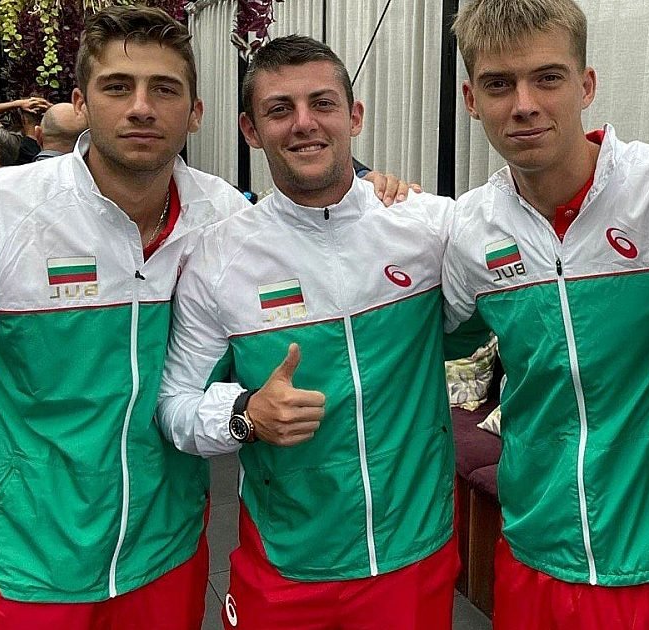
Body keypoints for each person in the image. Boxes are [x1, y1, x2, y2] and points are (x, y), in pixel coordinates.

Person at [0, 6, 253, 629]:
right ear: (80, 104)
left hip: (164, 546)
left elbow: (320, 234)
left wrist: (384, 197)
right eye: (117, 87)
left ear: (196, 112)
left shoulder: (225, 218)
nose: (141, 107)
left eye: (164, 89)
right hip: (18, 554)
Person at [157, 35, 459, 629]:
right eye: (279, 109)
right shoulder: (219, 257)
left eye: (322, 103)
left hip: (413, 557)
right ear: (250, 129)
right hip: (285, 565)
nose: (303, 123)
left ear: (355, 116)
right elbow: (174, 405)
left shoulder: (427, 226)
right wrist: (245, 413)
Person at [445, 1, 649, 627]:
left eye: (548, 78)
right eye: (499, 84)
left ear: (586, 85)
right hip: (531, 552)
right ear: (471, 99)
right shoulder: (467, 231)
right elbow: (415, 336)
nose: (525, 104)